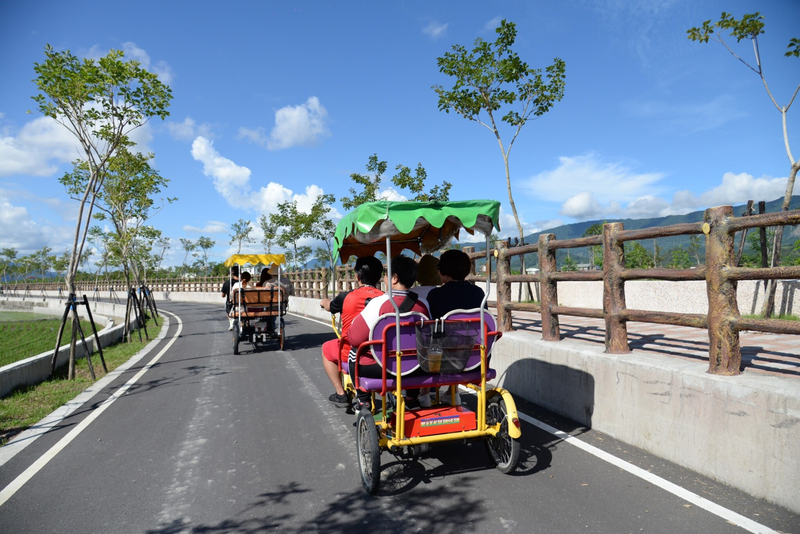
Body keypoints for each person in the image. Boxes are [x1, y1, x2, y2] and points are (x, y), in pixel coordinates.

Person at [347, 255, 430, 412]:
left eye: (386, 274)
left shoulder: (378, 303)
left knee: (353, 353)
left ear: (394, 278)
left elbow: (354, 338)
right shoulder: (423, 305)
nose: (384, 277)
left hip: (384, 367)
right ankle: (412, 398)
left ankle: (363, 400)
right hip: (416, 367)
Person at [320, 256, 384, 407]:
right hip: (381, 352)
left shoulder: (346, 297)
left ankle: (341, 393)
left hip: (352, 352)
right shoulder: (385, 299)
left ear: (357, 276)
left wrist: (323, 302)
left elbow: (331, 306)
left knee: (326, 349)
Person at [426, 249, 486, 405]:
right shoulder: (478, 293)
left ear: (444, 270)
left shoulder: (435, 295)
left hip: (443, 360)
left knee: (435, 338)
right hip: (476, 356)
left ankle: (423, 394)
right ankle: (453, 392)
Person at [427, 249, 485, 319]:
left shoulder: (434, 295)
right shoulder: (477, 293)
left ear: (443, 269)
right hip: (473, 330)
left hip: (445, 330)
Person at [222, 265, 240, 331]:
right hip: (242, 303)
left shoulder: (227, 283)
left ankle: (231, 322)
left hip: (231, 303)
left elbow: (223, 295)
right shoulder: (242, 283)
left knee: (228, 307)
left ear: (232, 273)